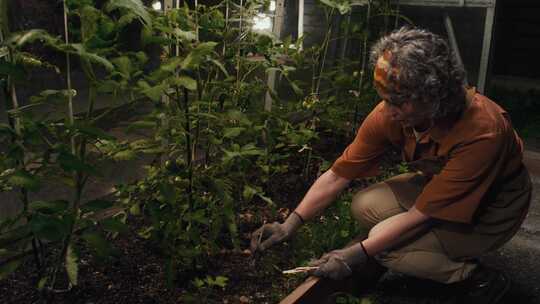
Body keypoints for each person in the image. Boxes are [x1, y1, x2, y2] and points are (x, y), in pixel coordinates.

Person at [250, 27, 532, 304]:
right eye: (386, 99)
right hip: (440, 186)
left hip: (492, 207)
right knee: (365, 204)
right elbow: (338, 174)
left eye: (399, 102)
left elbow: (423, 216)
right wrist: (289, 225)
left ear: (434, 96)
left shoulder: (483, 131)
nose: (388, 110)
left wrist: (354, 255)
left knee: (386, 250)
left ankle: (477, 278)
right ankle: (426, 251)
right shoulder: (393, 113)